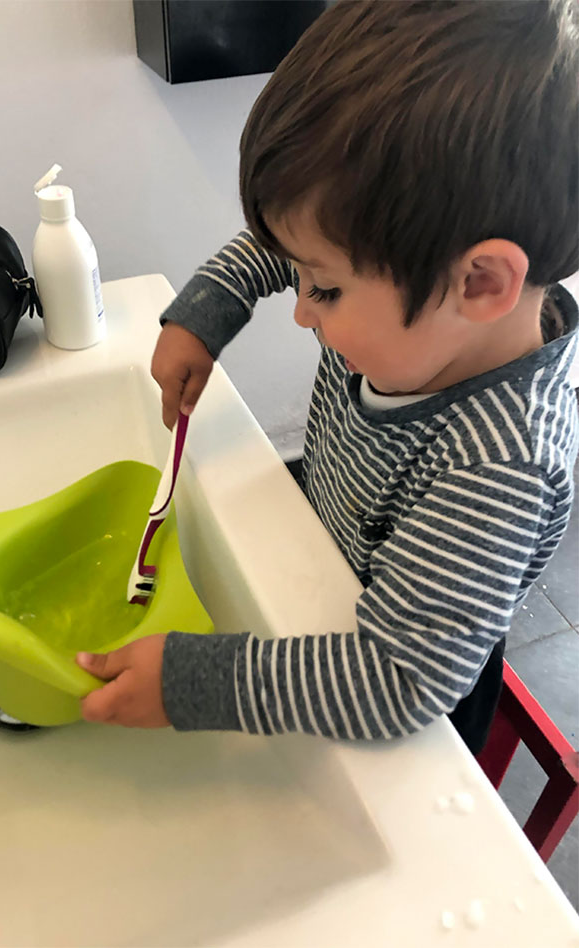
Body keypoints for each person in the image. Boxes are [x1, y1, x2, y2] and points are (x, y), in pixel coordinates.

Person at [76, 0, 578, 754]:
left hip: (405, 698)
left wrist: (192, 681)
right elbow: (287, 244)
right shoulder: (417, 294)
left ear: (480, 283)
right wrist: (209, 309)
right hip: (327, 566)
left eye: (328, 291)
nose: (304, 314)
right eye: (306, 281)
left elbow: (396, 682)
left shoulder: (501, 461)